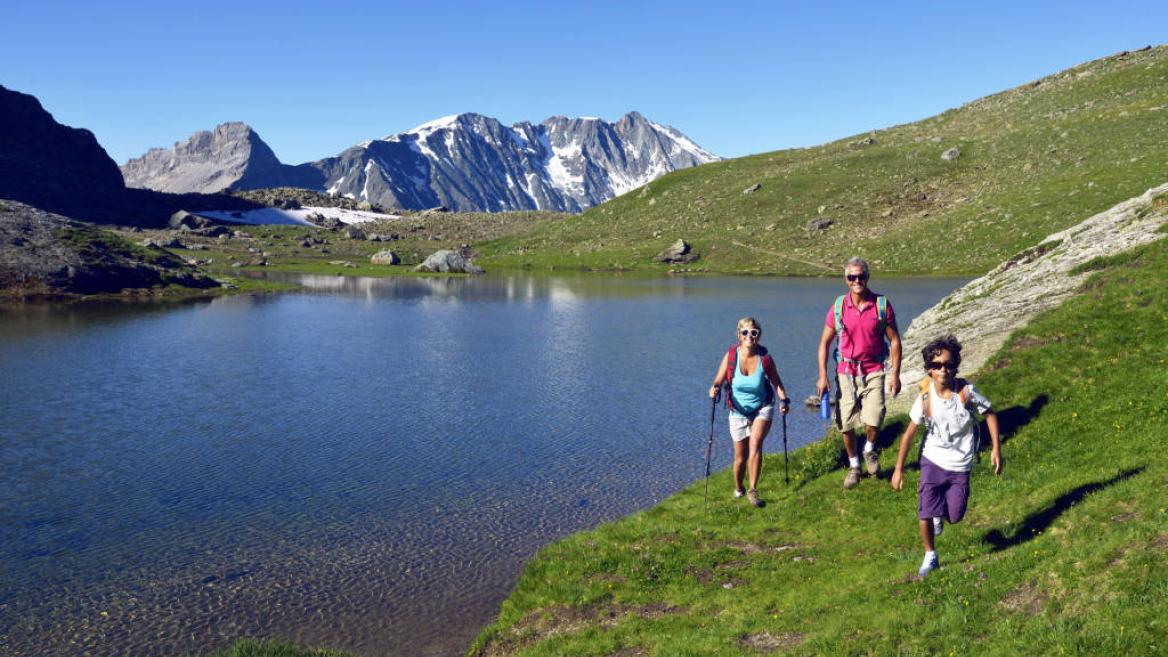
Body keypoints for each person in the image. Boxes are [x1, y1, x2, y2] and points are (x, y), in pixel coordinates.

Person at [891, 335, 1002, 578]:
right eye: (937, 365)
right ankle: (930, 555)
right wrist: (898, 468)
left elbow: (990, 414)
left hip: (960, 465)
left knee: (955, 515)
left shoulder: (967, 393)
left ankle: (940, 515)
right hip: (931, 460)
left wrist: (996, 449)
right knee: (925, 512)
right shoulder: (925, 398)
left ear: (956, 366)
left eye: (949, 364)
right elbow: (909, 434)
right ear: (929, 370)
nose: (943, 369)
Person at [816, 256, 902, 489]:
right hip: (845, 371)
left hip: (874, 369)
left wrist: (895, 374)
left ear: (867, 277)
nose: (856, 281)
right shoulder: (838, 307)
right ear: (846, 280)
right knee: (845, 423)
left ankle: (869, 450)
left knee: (874, 418)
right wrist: (823, 375)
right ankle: (854, 466)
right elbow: (824, 343)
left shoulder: (881, 305)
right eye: (851, 277)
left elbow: (894, 341)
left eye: (860, 276)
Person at [709, 317, 791, 508]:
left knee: (756, 444)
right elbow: (718, 382)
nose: (749, 336)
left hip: (762, 406)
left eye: (753, 333)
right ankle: (739, 488)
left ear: (758, 335)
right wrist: (714, 389)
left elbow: (777, 383)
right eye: (745, 332)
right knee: (740, 458)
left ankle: (753, 491)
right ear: (739, 335)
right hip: (737, 410)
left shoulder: (765, 359)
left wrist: (784, 400)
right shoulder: (730, 357)